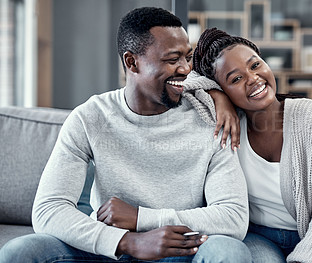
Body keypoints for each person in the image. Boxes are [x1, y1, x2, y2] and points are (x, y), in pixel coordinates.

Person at [0, 9, 251, 263]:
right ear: (132, 62)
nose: (185, 69)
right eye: (172, 59)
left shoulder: (211, 117)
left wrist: (141, 218)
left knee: (228, 253)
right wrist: (128, 242)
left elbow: (233, 217)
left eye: (187, 57)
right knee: (20, 252)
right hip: (111, 249)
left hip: (180, 249)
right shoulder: (90, 117)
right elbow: (48, 209)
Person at [183, 27, 312, 263]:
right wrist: (217, 96)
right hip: (259, 238)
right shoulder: (227, 127)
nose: (253, 79)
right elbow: (181, 86)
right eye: (236, 79)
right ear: (223, 89)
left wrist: (302, 259)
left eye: (255, 65)